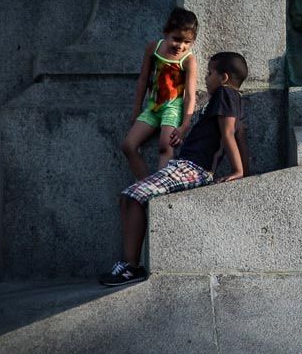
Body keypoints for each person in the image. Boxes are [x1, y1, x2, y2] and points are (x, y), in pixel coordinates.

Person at [99, 52, 249, 286]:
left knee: (133, 195)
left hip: (194, 169)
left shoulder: (225, 93)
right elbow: (240, 133)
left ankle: (130, 267)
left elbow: (230, 133)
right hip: (185, 165)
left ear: (224, 78)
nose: (206, 78)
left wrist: (239, 171)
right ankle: (128, 264)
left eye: (210, 73)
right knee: (126, 198)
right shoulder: (228, 99)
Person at [121, 7, 199, 180]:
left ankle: (160, 191)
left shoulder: (188, 60)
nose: (181, 46)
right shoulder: (153, 49)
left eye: (187, 42)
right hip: (152, 107)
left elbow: (190, 95)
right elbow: (143, 80)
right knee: (128, 145)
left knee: (166, 146)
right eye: (176, 39)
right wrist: (136, 109)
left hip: (173, 108)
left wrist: (184, 125)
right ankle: (147, 185)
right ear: (166, 32)